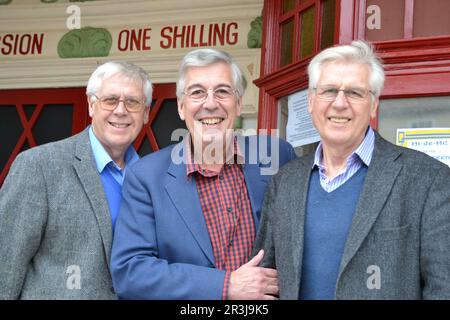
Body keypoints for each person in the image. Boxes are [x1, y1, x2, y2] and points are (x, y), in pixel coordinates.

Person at [253, 40, 450, 299]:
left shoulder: (429, 179)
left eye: (355, 93)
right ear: (311, 101)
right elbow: (267, 281)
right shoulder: (285, 181)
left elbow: (442, 288)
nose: (339, 103)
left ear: (373, 104)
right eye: (329, 90)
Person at [110, 48, 296, 300]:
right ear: (181, 106)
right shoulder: (145, 176)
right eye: (197, 92)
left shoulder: (277, 155)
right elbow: (131, 272)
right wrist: (225, 286)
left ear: (238, 103)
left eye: (222, 91)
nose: (210, 103)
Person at [0, 61, 152, 299]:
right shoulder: (39, 165)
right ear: (92, 105)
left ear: (145, 113)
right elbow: (5, 263)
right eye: (110, 100)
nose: (121, 111)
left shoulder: (151, 178)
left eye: (132, 102)